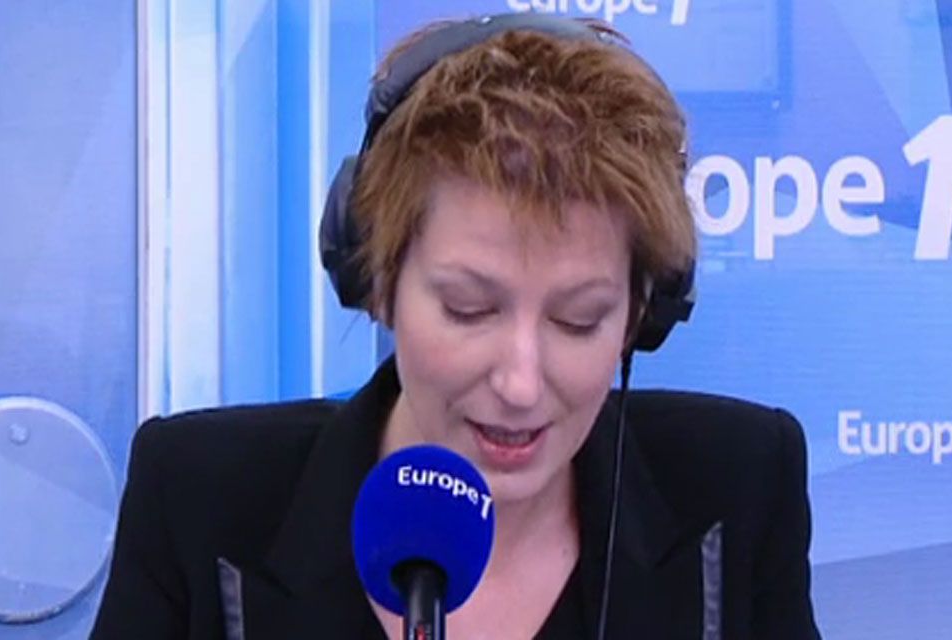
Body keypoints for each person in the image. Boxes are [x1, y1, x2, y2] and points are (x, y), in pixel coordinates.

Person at [91, 12, 820, 640]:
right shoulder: (197, 500)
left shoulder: (738, 488)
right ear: (377, 280)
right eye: (469, 309)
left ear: (642, 314)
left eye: (578, 320)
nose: (520, 384)